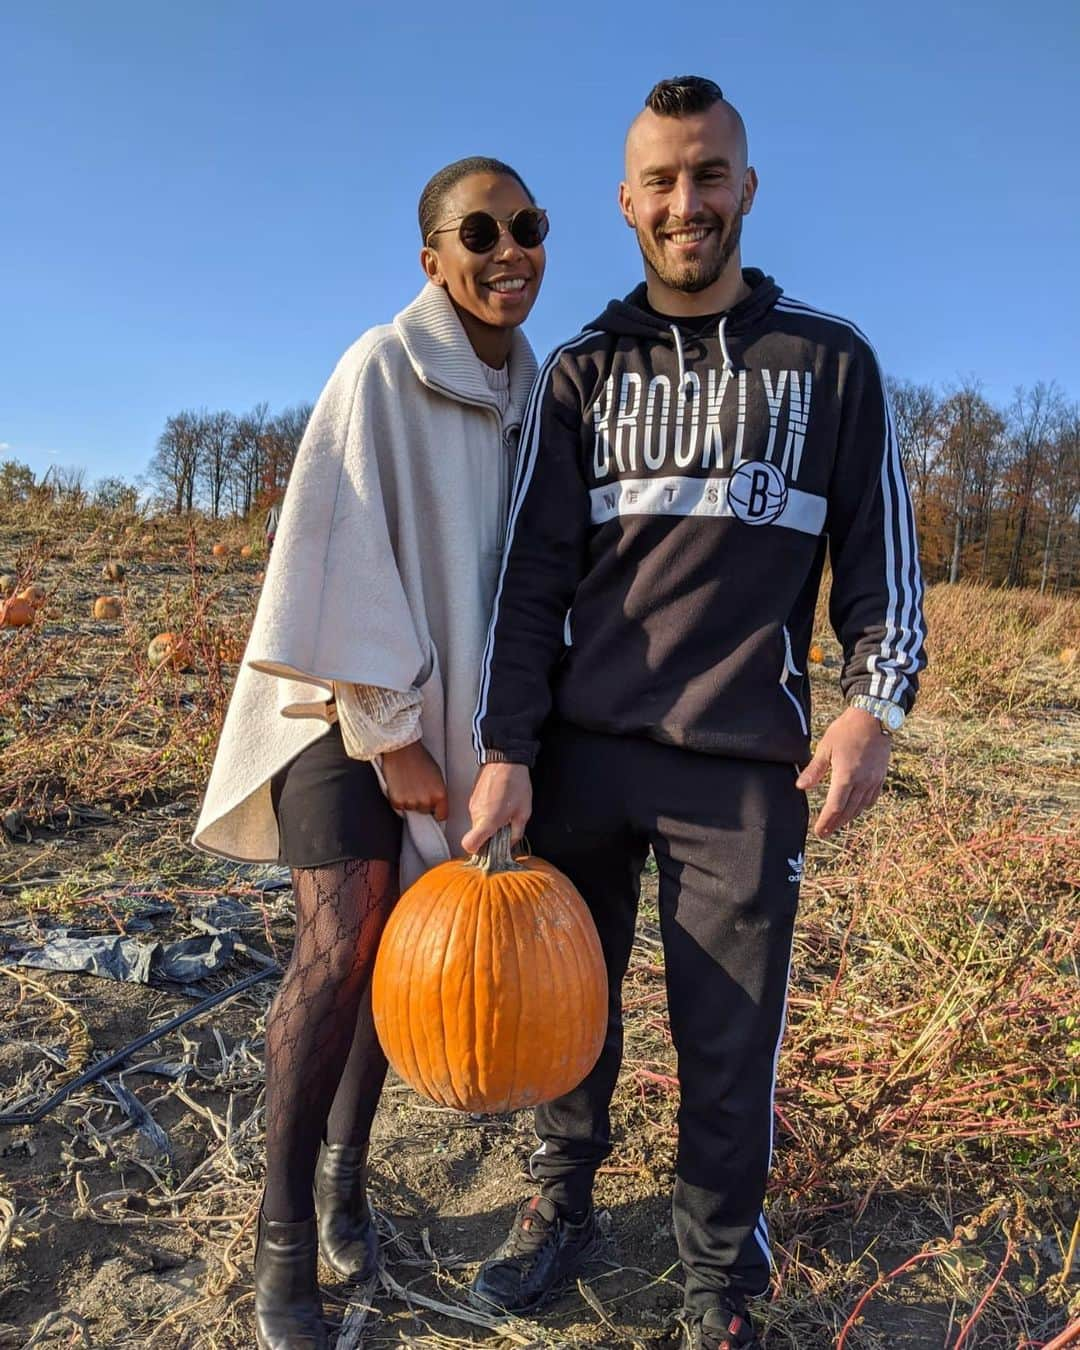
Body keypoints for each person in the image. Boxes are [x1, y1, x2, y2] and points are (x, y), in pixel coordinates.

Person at [463, 77, 926, 1350]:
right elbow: (530, 582)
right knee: (571, 1011)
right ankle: (563, 1208)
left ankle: (720, 1267)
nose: (687, 203)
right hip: (584, 754)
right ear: (625, 202)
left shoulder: (831, 362)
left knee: (732, 1032)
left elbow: (884, 564)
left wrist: (871, 709)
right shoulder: (582, 371)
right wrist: (506, 751)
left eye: (709, 175)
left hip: (742, 767)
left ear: (747, 188)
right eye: (662, 181)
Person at [192, 157, 546, 1349]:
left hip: (443, 721)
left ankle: (349, 1180)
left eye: (527, 227)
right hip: (341, 706)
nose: (508, 251)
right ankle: (281, 1232)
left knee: (405, 951)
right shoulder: (380, 368)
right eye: (479, 231)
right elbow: (331, 545)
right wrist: (390, 731)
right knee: (340, 950)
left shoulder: (535, 398)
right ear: (433, 256)